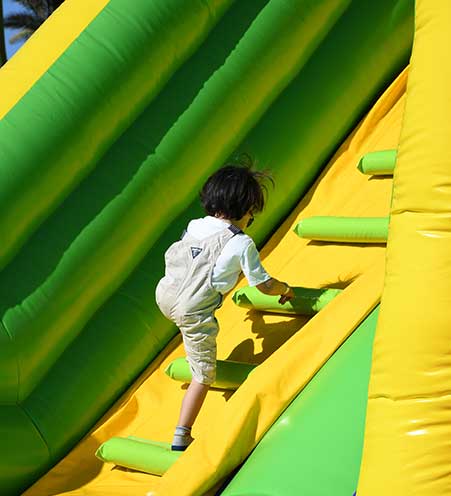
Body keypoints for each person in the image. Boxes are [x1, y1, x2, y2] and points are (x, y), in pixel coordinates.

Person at [155, 160, 295, 451]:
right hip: (192, 311)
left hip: (164, 295)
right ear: (246, 210)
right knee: (203, 374)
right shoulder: (241, 243)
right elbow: (263, 285)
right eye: (252, 214)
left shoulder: (194, 226)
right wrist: (285, 290)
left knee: (201, 291)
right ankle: (182, 434)